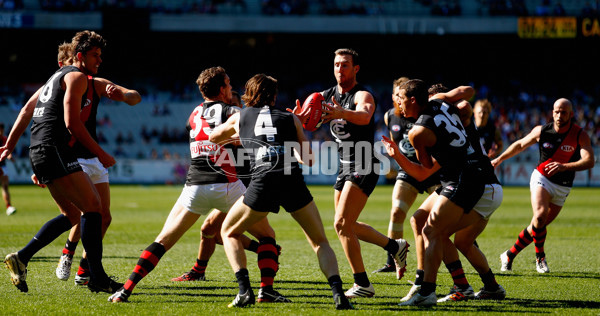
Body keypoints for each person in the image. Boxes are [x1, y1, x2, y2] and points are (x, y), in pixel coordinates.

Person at [108, 67, 283, 304]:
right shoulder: (233, 110)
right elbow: (250, 134)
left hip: (195, 187)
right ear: (222, 89)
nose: (232, 88)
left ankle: (125, 290)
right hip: (228, 185)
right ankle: (262, 291)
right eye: (229, 84)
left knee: (163, 240)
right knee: (267, 236)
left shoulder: (194, 113)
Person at [209, 73, 352, 309]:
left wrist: (240, 136)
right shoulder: (289, 118)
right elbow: (308, 160)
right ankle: (339, 294)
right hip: (291, 181)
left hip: (263, 181)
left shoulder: (241, 116)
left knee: (229, 232)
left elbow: (214, 137)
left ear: (249, 93)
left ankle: (245, 291)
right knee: (319, 242)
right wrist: (294, 129)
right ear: (274, 96)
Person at [1, 30, 122, 294]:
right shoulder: (77, 76)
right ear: (80, 56)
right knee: (94, 208)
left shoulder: (53, 78)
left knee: (72, 215)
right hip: (53, 148)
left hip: (38, 150)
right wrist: (100, 153)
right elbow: (72, 123)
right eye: (95, 56)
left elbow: (26, 110)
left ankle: (22, 257)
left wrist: (10, 144)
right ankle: (96, 277)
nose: (99, 61)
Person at [387, 79, 501, 306]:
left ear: (413, 100)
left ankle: (429, 290)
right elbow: (467, 93)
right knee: (420, 220)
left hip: (467, 178)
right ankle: (462, 285)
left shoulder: (418, 132)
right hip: (462, 176)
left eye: (400, 97)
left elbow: (423, 172)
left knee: (435, 231)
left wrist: (397, 156)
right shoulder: (438, 101)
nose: (396, 101)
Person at [307, 48, 409, 298]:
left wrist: (342, 113)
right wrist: (298, 118)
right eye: (336, 65)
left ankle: (362, 284)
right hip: (344, 164)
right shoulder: (325, 95)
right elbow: (307, 117)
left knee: (342, 223)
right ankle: (394, 246)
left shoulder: (362, 94)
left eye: (345, 65)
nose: (339, 69)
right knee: (344, 225)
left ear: (356, 69)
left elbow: (364, 116)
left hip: (365, 161)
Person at [46, 40, 142, 285]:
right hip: (71, 155)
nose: (100, 60)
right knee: (86, 212)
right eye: (95, 55)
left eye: (101, 55)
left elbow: (135, 97)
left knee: (104, 217)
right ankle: (68, 253)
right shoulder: (64, 83)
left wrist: (122, 94)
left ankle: (85, 268)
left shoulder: (96, 84)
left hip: (92, 158)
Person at [170, 88, 278, 283]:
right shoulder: (224, 126)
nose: (234, 110)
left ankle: (264, 258)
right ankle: (200, 271)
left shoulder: (243, 126)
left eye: (237, 107)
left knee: (216, 230)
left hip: (241, 186)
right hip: (230, 184)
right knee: (211, 231)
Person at [492, 98, 594, 273]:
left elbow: (589, 160)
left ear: (571, 114)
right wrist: (499, 159)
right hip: (542, 178)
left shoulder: (579, 134)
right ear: (552, 112)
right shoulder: (542, 131)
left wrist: (564, 166)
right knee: (539, 216)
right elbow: (519, 145)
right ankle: (540, 258)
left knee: (537, 226)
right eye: (556, 111)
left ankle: (509, 255)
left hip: (563, 187)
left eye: (563, 112)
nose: (559, 115)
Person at [373, 77, 441, 279]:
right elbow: (396, 143)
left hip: (430, 170)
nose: (397, 98)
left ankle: (468, 245)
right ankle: (392, 261)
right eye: (395, 94)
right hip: (407, 170)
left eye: (400, 95)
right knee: (396, 212)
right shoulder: (389, 117)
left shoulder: (423, 114)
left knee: (444, 217)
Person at [0, 123, 17, 216]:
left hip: (2, 166)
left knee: (5, 186)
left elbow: (8, 150)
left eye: (1, 130)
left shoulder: (4, 139)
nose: (0, 132)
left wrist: (10, 157)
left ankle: (8, 206)